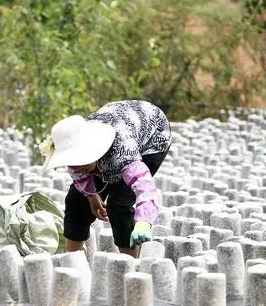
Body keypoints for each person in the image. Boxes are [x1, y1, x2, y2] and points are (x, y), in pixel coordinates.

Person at [39, 100, 171, 257]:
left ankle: (128, 263)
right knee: (76, 200)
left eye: (81, 159)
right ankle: (72, 259)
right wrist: (91, 196)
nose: (77, 165)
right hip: (119, 122)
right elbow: (79, 175)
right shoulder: (72, 143)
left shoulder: (122, 152)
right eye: (71, 160)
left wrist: (143, 222)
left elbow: (145, 187)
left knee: (119, 204)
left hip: (153, 136)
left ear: (93, 149)